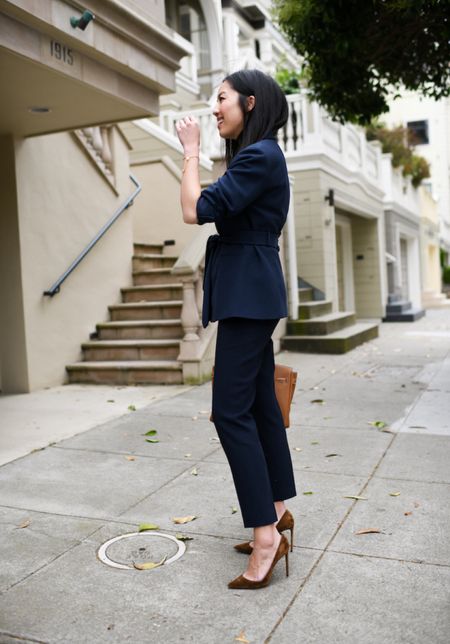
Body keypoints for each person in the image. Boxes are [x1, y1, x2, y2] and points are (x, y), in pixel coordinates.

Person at [175, 69, 297, 590]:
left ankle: (266, 535)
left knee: (229, 412)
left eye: (221, 99)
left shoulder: (259, 155)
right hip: (251, 290)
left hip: (249, 294)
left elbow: (193, 209)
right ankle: (276, 509)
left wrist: (189, 151)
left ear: (250, 102)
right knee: (258, 406)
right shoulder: (259, 157)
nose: (214, 108)